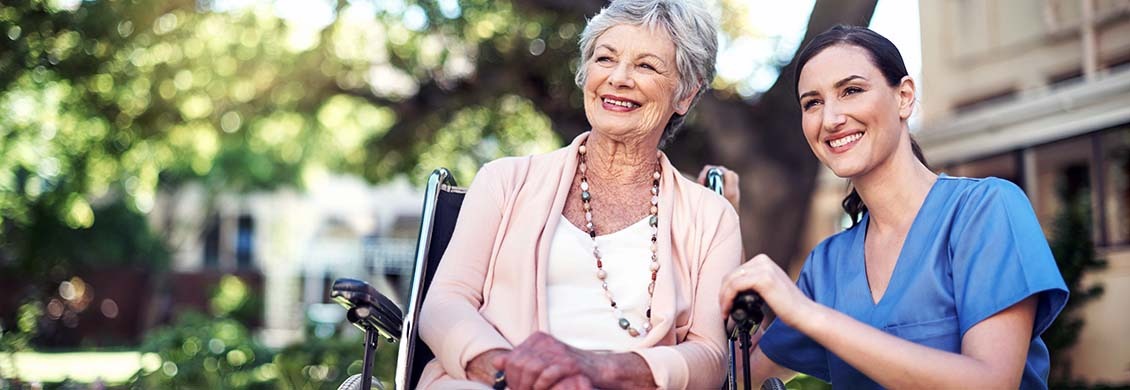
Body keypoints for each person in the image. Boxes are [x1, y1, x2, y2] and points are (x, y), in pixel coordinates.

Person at [717, 25, 1069, 389]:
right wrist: (721, 227)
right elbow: (740, 377)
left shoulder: (986, 209)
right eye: (813, 103)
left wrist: (810, 315)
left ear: (904, 97)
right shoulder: (828, 266)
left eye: (851, 90)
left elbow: (991, 383)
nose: (831, 118)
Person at [417, 1, 741, 388]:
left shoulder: (712, 217)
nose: (618, 78)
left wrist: (597, 370)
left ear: (686, 94)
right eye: (605, 59)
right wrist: (513, 370)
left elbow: (709, 355)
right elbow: (444, 304)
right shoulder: (504, 180)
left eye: (646, 66)